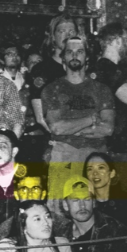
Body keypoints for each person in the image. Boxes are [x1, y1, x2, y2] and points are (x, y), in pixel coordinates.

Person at [40, 35, 115, 205]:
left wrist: (73, 128)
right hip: (64, 155)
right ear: (63, 57)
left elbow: (108, 128)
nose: (74, 56)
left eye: (79, 52)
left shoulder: (101, 89)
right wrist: (91, 119)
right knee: (61, 212)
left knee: (97, 210)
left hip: (96, 157)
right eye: (70, 52)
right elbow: (57, 128)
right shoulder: (51, 89)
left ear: (87, 57)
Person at [92, 23, 127, 162]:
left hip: (120, 144)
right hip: (122, 146)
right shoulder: (108, 69)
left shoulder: (107, 68)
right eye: (126, 40)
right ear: (116, 41)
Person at [29, 13, 79, 125]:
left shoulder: (86, 67)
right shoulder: (41, 70)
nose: (68, 35)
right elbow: (40, 117)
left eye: (72, 31)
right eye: (62, 31)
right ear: (52, 36)